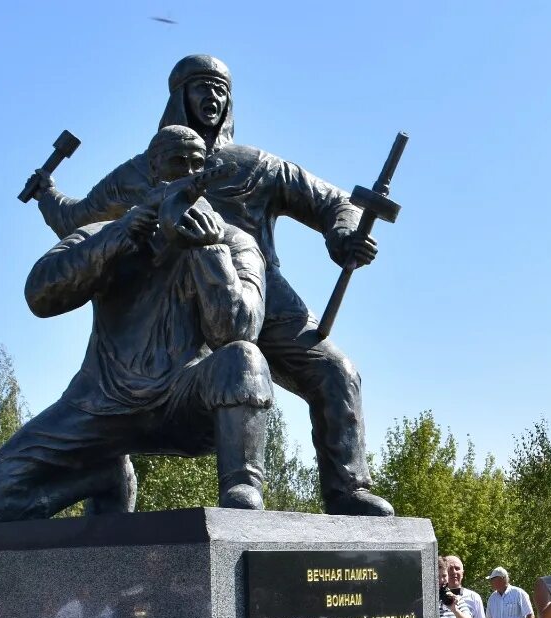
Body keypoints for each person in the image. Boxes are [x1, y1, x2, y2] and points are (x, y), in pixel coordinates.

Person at [26, 54, 391, 517]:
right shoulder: (139, 172)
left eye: (221, 89)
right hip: (169, 300)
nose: (213, 97)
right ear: (178, 96)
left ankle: (347, 489)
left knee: (336, 371)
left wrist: (343, 235)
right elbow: (76, 219)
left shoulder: (257, 165)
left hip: (256, 292)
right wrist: (46, 193)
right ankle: (106, 467)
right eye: (202, 87)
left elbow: (335, 202)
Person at [0, 125, 273, 521]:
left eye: (196, 166)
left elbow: (236, 331)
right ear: (153, 171)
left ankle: (242, 485)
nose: (185, 174)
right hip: (100, 403)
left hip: (184, 401)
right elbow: (40, 295)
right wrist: (115, 238)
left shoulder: (232, 241)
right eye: (175, 164)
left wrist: (210, 251)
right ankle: (101, 477)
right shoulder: (103, 233)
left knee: (244, 359)